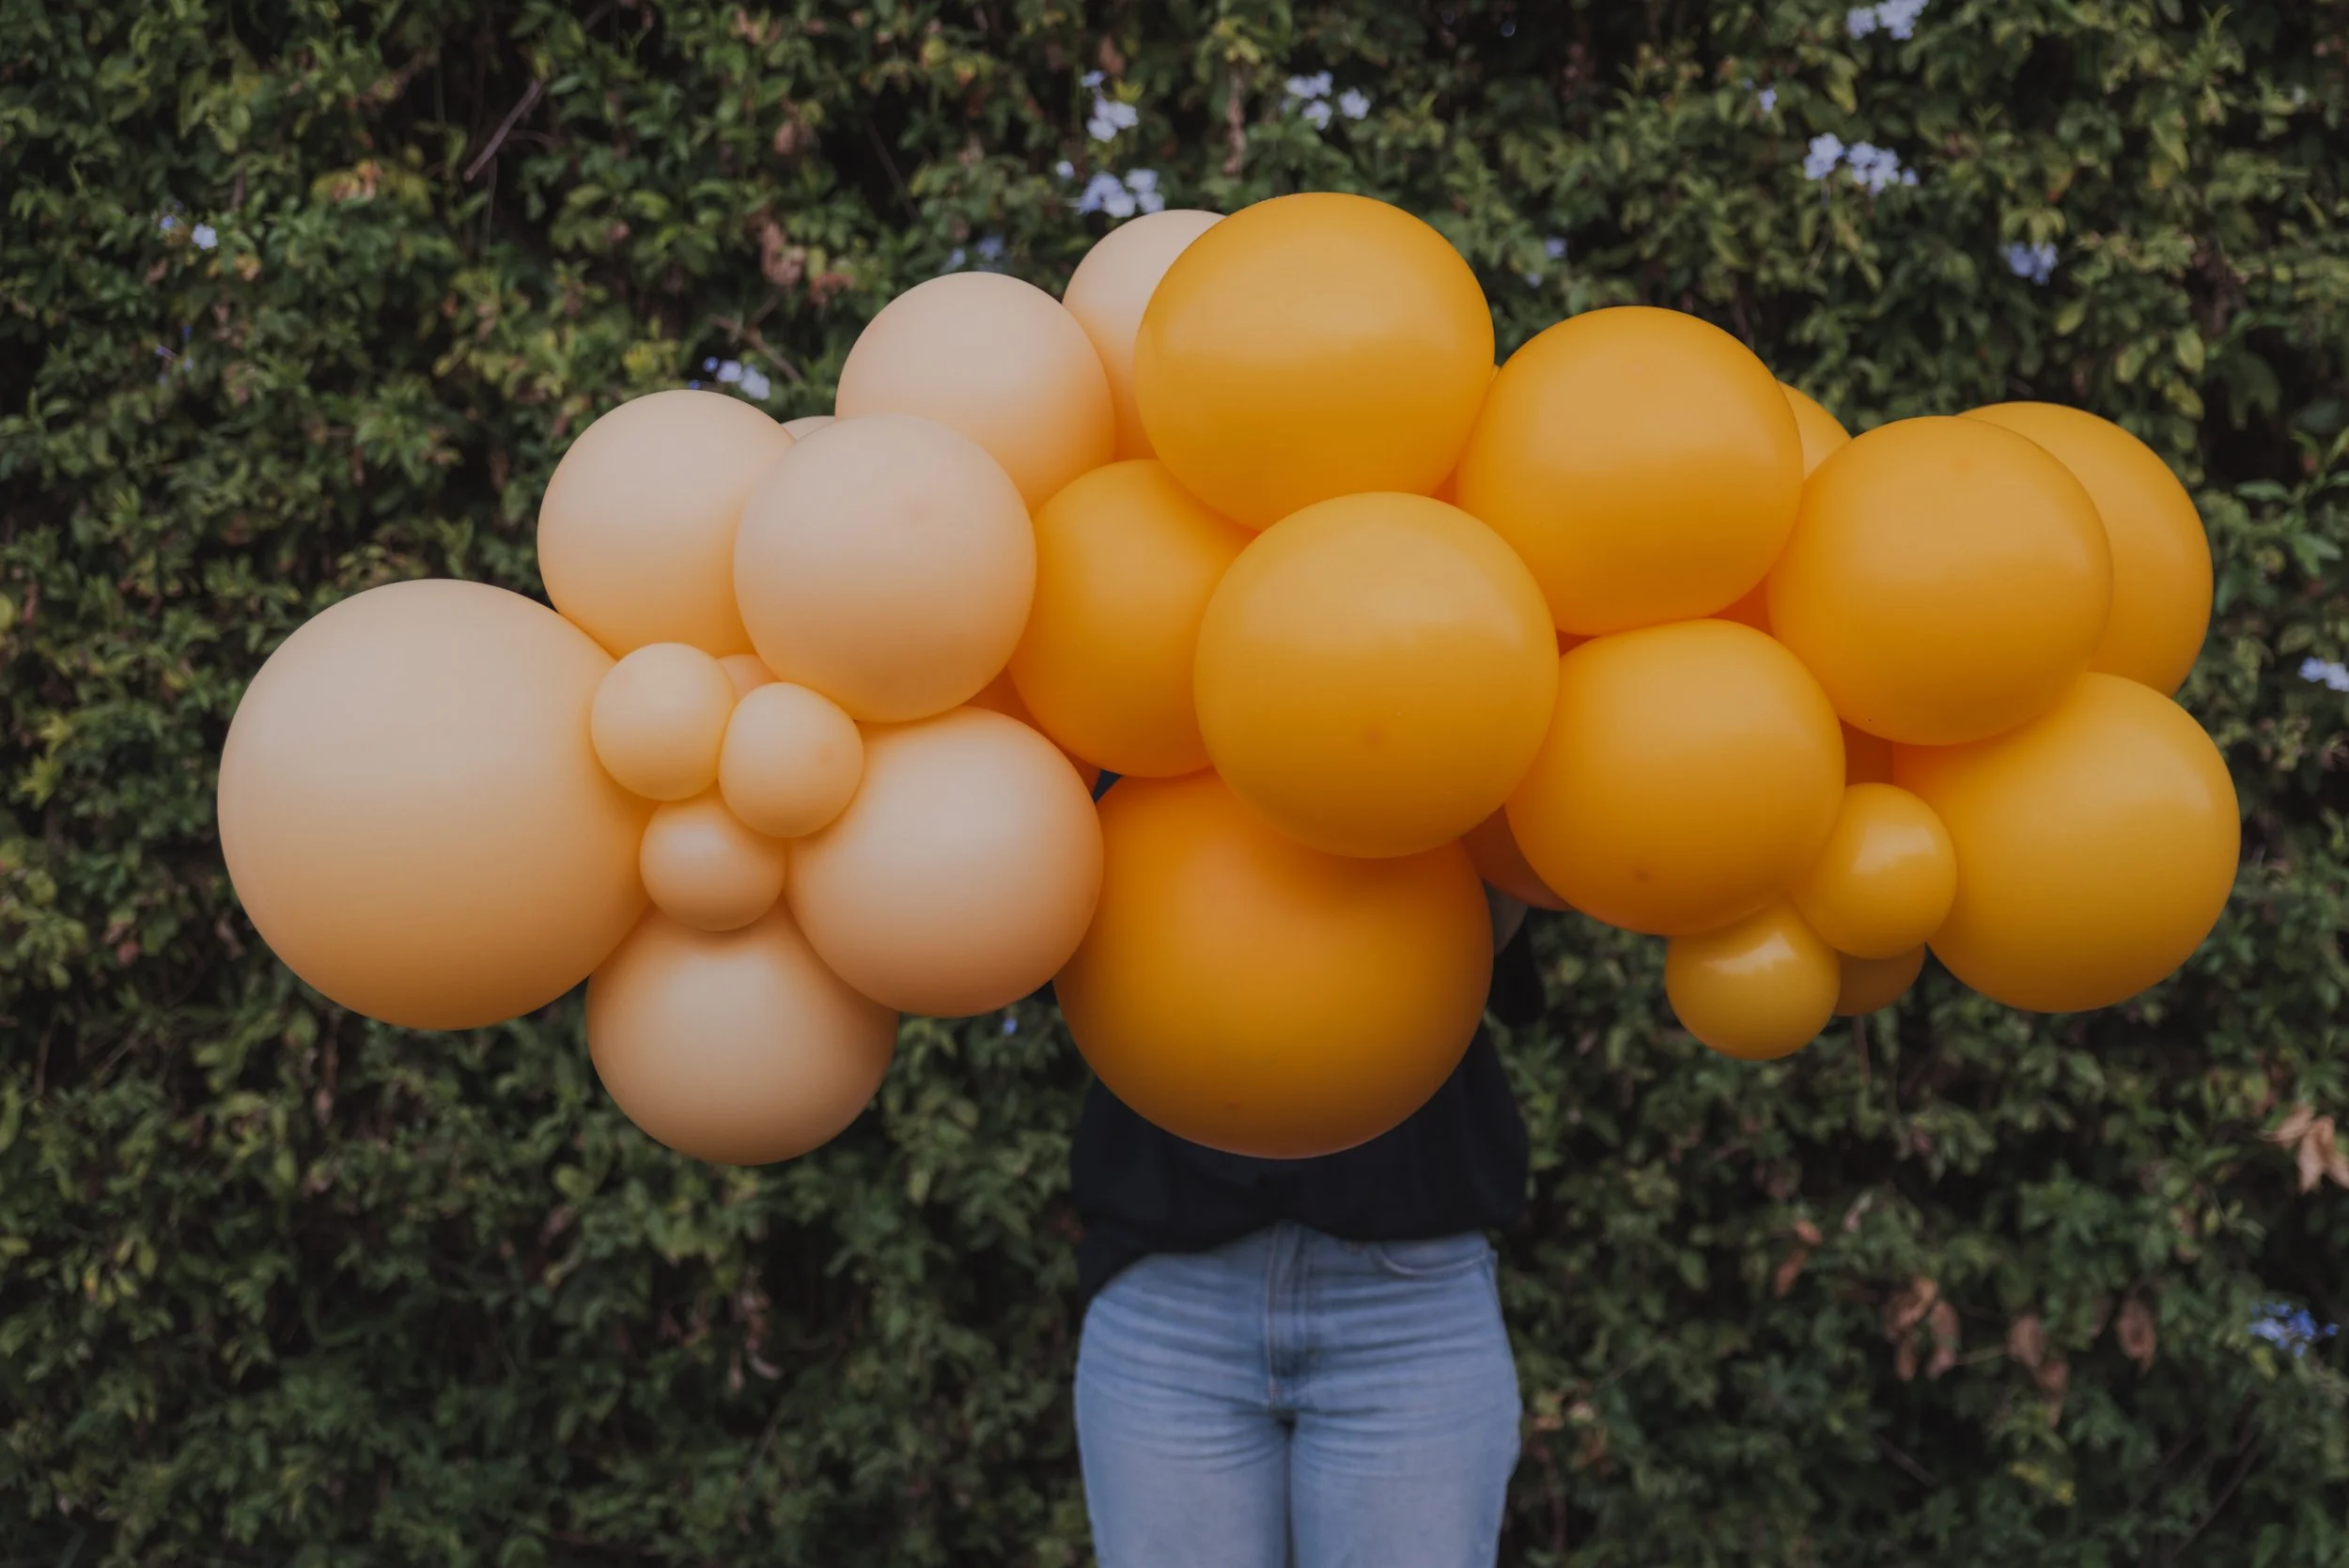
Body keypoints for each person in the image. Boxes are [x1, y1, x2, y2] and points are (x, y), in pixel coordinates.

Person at [1066, 879, 1545, 1568]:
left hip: (1407, 1305)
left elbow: (1487, 939)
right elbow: (1048, 940)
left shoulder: (1428, 772)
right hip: (1170, 1302)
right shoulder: (1117, 774)